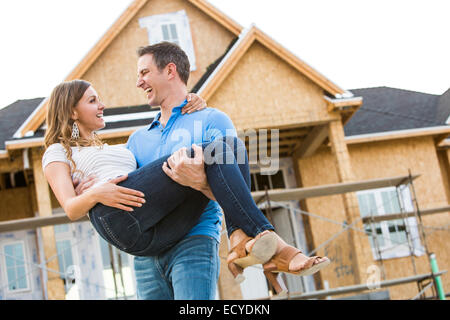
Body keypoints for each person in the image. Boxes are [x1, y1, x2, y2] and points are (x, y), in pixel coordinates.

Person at [45, 42, 329, 300]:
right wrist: (93, 193)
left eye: (144, 72)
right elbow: (79, 202)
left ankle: (245, 239)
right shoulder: (136, 140)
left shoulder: (209, 119)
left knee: (228, 147)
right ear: (72, 111)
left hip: (189, 236)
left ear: (169, 70)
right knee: (218, 150)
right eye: (93, 100)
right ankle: (262, 242)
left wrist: (199, 181)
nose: (138, 82)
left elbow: (233, 192)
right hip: (139, 238)